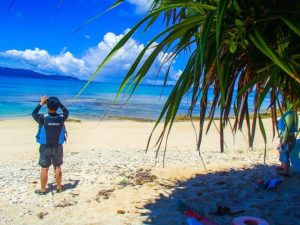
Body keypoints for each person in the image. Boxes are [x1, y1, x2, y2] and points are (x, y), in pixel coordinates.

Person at [32, 96, 69, 194]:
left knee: (44, 168)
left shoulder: (42, 118)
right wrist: (58, 103)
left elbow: (33, 113)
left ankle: (43, 189)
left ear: (47, 106)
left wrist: (41, 103)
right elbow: (66, 111)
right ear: (57, 106)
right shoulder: (62, 117)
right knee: (57, 166)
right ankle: (59, 187)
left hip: (45, 146)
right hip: (58, 146)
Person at [277, 101, 298, 177]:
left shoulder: (290, 115)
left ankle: (286, 172)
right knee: (281, 152)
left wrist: (284, 140)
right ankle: (282, 167)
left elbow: (287, 129)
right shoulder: (288, 113)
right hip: (284, 136)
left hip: (288, 138)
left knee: (285, 153)